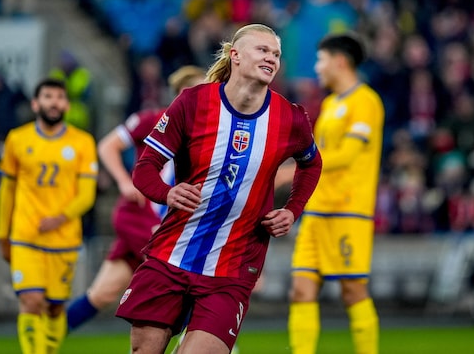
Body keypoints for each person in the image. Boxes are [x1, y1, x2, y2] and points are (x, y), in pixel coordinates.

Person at [115, 23, 322, 354]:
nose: (271, 58)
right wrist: (166, 193)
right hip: (171, 255)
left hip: (232, 268)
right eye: (263, 50)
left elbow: (312, 164)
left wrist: (292, 209)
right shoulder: (193, 102)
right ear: (235, 55)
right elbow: (145, 169)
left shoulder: (291, 118)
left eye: (276, 54)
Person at [66, 65, 206, 332]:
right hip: (140, 216)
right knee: (181, 276)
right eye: (193, 92)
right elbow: (107, 145)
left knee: (102, 294)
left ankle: (47, 337)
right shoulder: (151, 120)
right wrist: (123, 180)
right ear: (178, 95)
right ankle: (209, 341)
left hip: (166, 221)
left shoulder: (209, 133)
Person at [288, 32, 384, 354]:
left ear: (340, 61)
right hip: (317, 210)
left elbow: (346, 155)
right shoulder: (330, 104)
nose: (317, 67)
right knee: (300, 290)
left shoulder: (366, 102)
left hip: (348, 210)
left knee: (353, 291)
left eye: (321, 60)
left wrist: (294, 169)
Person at [0, 78, 98, 354]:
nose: (54, 102)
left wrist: (61, 217)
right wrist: (2, 233)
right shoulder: (17, 139)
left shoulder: (83, 142)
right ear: (35, 103)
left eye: (59, 97)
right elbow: (7, 190)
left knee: (54, 308)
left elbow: (87, 194)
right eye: (48, 96)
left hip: (64, 238)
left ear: (66, 104)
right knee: (31, 301)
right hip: (25, 234)